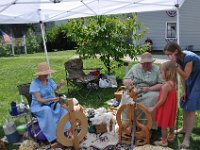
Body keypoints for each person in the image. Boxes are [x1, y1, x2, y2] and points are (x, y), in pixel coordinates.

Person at [163, 42, 200, 149]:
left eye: (169, 54)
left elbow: (186, 75)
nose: (168, 57)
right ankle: (184, 128)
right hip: (189, 79)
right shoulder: (178, 59)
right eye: (167, 55)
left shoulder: (189, 58)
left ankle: (187, 138)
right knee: (184, 103)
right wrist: (184, 91)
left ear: (176, 51)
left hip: (198, 80)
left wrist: (175, 66)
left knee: (191, 109)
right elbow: (183, 77)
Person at [29, 62, 70, 146]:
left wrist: (60, 84)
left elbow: (56, 89)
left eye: (47, 73)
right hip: (39, 105)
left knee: (61, 107)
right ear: (39, 75)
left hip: (50, 102)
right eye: (44, 74)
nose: (46, 75)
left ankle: (66, 130)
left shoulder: (50, 80)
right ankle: (53, 137)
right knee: (47, 110)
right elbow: (39, 99)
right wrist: (51, 99)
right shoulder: (35, 83)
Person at [121, 52, 163, 129]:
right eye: (144, 63)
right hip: (135, 88)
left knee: (154, 98)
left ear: (152, 62)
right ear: (141, 62)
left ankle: (148, 125)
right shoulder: (135, 67)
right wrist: (128, 82)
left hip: (151, 90)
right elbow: (125, 79)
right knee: (127, 97)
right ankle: (128, 122)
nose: (146, 65)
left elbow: (162, 84)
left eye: (148, 63)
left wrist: (149, 88)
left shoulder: (157, 69)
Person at [148, 61, 178, 147]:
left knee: (163, 126)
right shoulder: (175, 83)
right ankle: (171, 136)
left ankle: (164, 142)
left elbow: (162, 101)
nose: (160, 74)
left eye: (161, 72)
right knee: (171, 121)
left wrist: (153, 108)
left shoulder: (166, 86)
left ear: (168, 72)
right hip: (172, 108)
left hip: (165, 108)